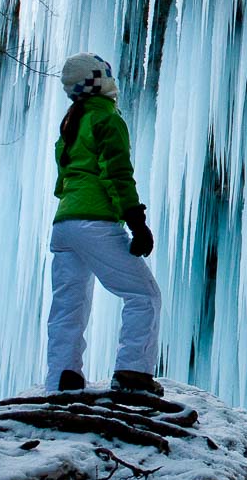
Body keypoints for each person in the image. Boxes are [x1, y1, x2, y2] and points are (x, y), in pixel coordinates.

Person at [44, 52, 163, 396]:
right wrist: (136, 221)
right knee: (144, 295)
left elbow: (64, 179)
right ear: (99, 80)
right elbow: (117, 173)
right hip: (94, 222)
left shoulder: (71, 124)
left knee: (69, 305)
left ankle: (62, 379)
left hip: (64, 224)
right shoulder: (107, 120)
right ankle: (132, 373)